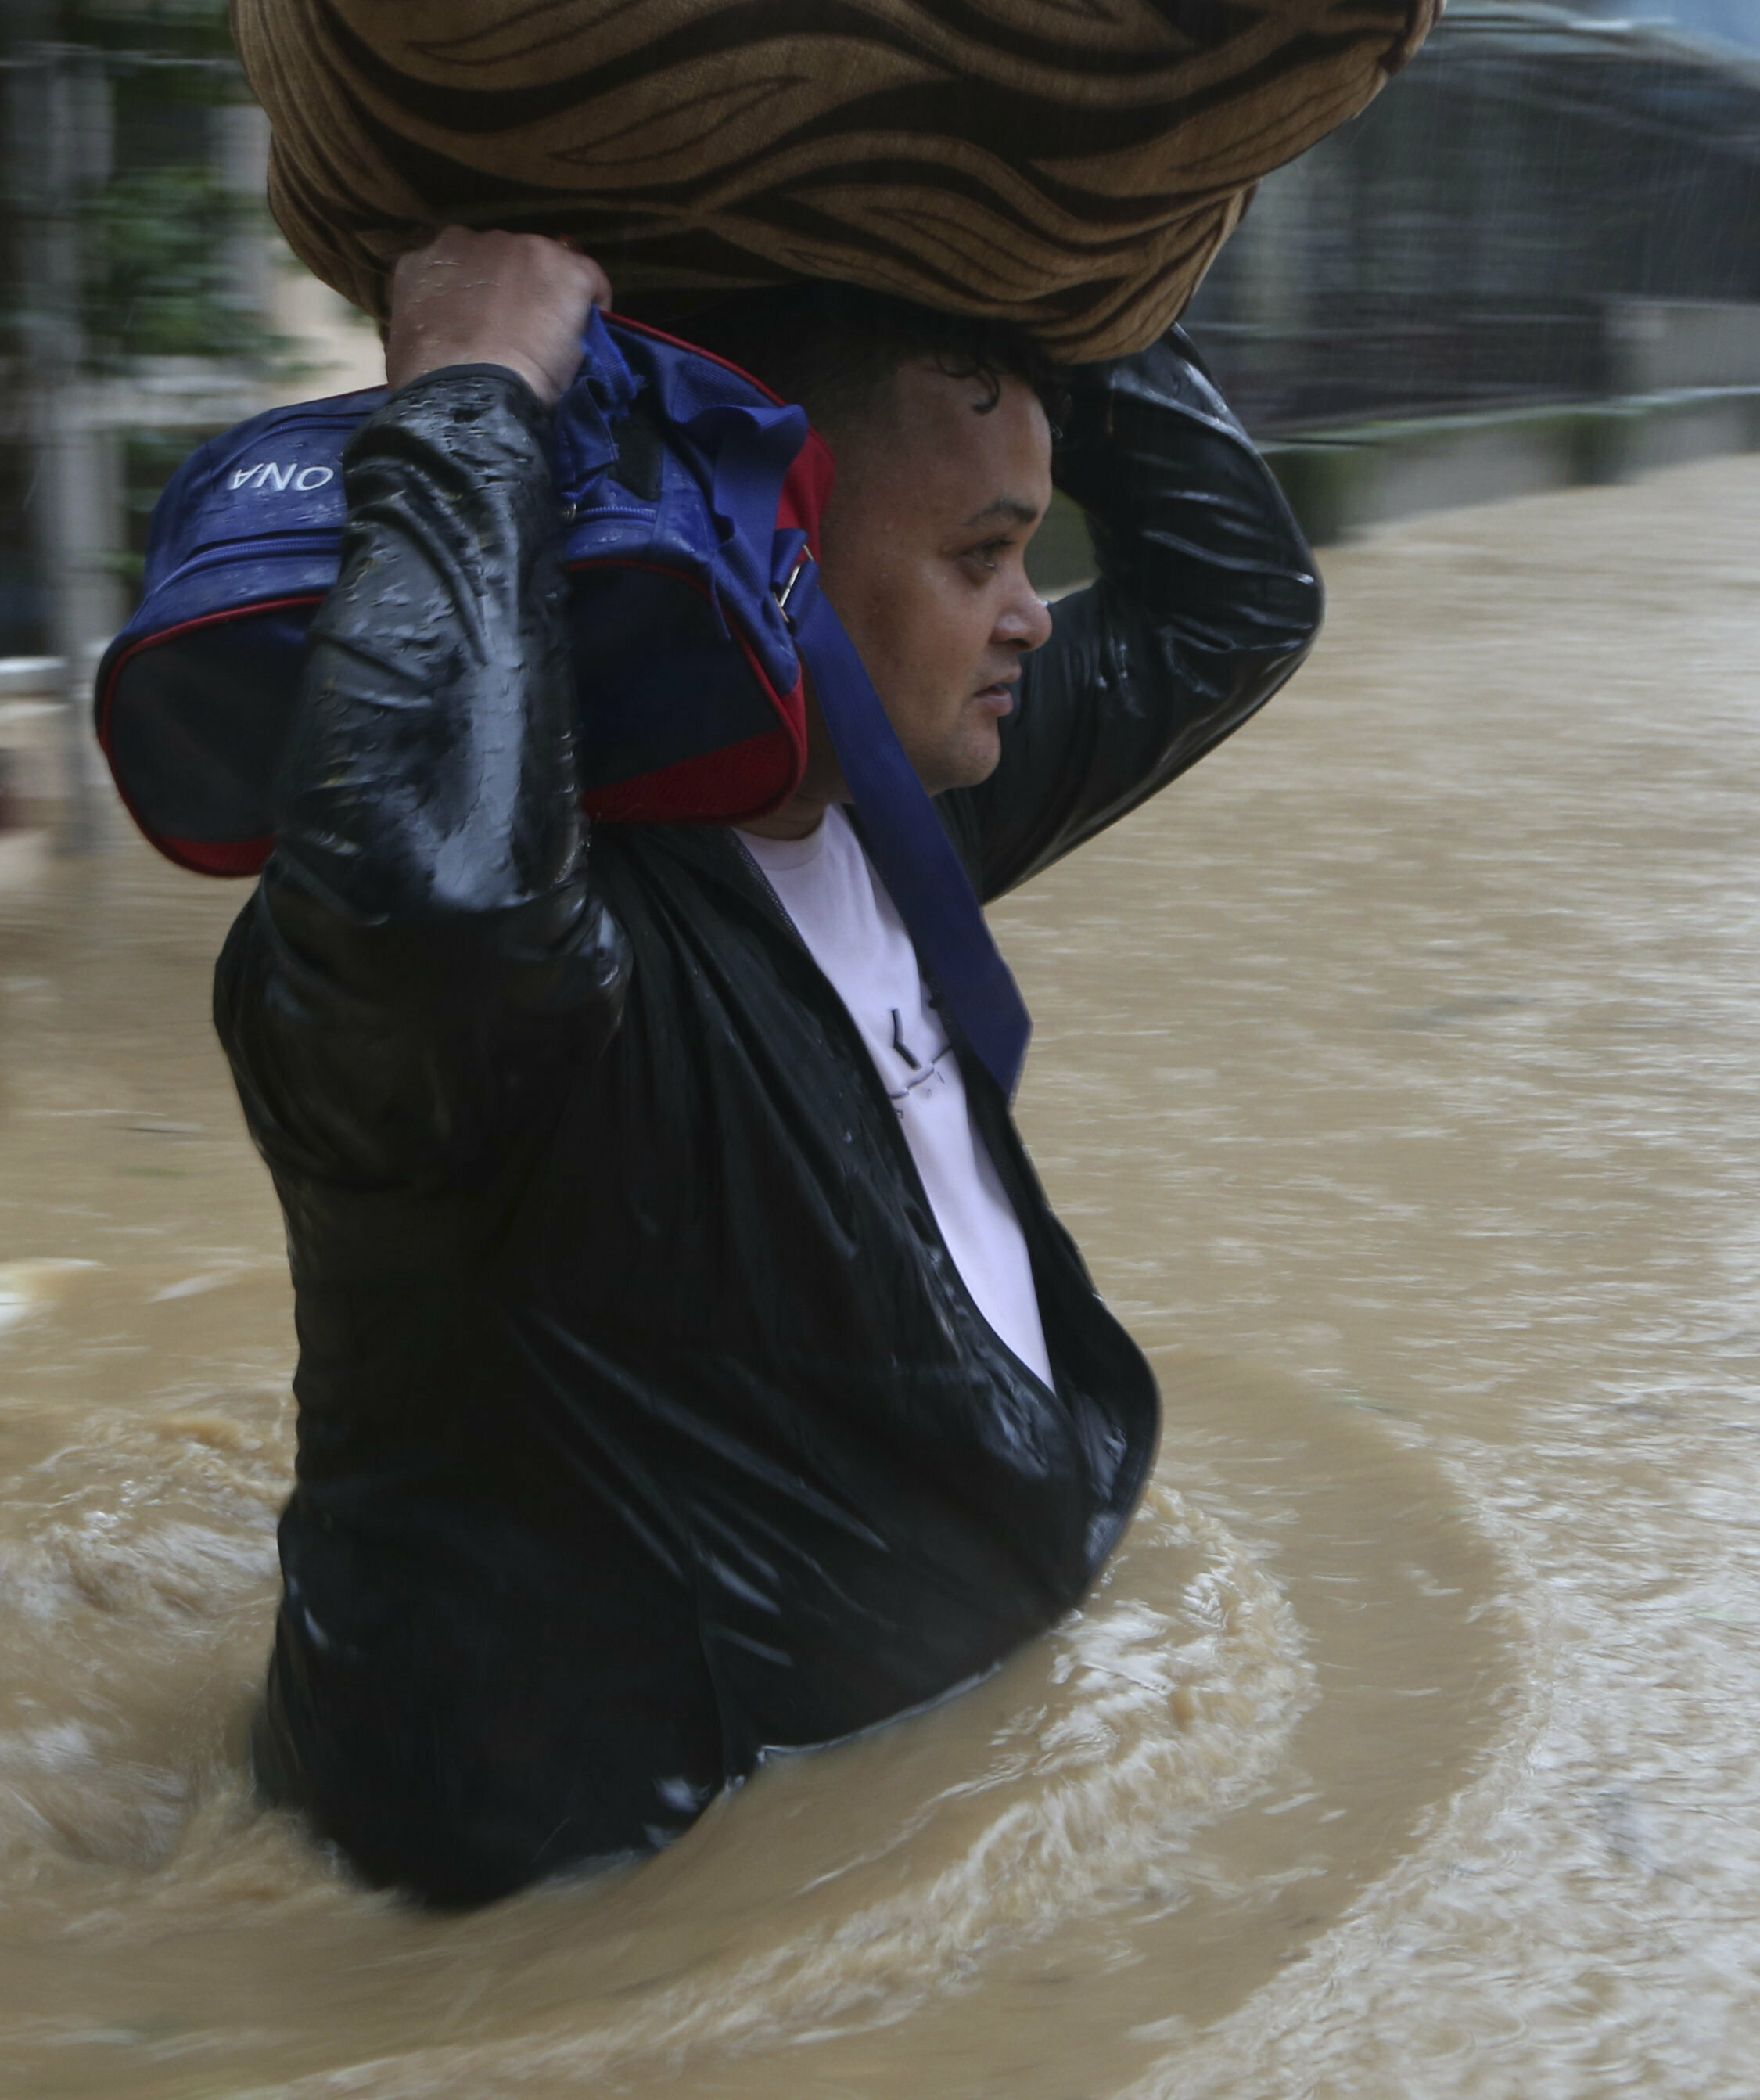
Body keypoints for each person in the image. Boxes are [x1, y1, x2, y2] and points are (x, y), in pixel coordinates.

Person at [218, 222, 1324, 1908]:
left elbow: (1238, 602)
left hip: (952, 1794)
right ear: (771, 545)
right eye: (982, 554)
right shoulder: (523, 990)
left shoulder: (891, 807)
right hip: (613, 1918)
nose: (1034, 615)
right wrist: (471, 404)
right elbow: (417, 888)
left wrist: (1064, 268)